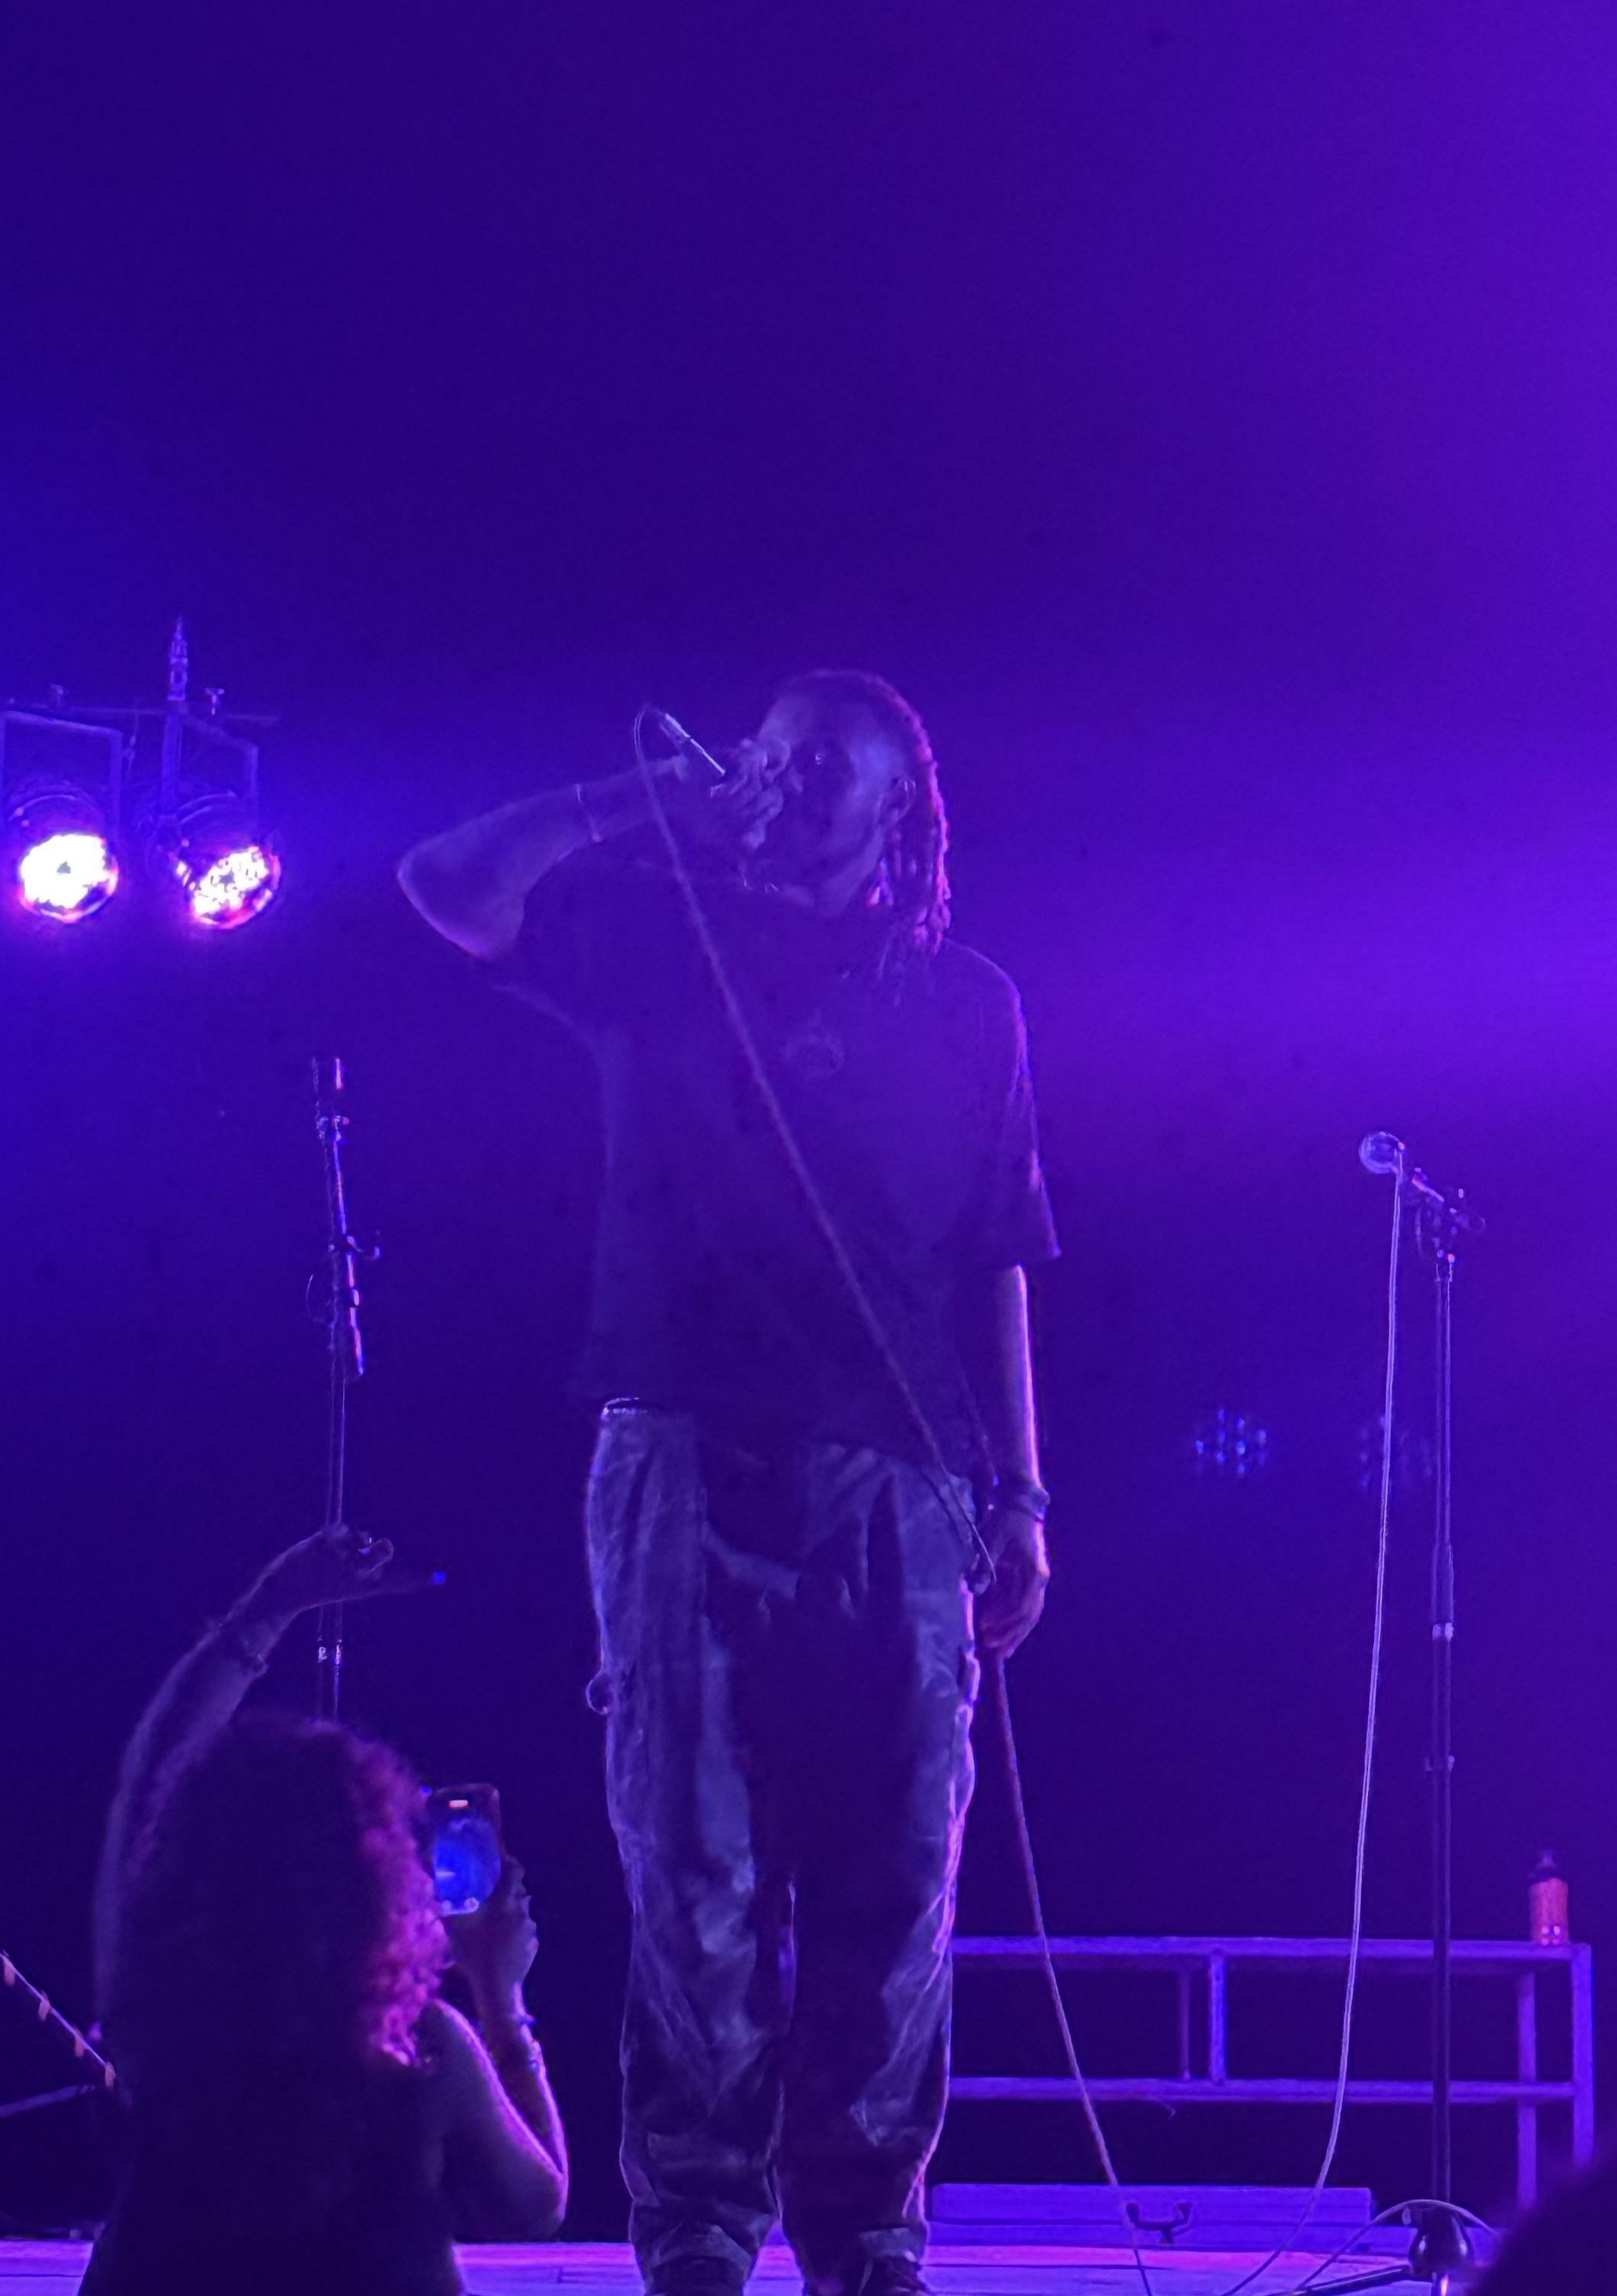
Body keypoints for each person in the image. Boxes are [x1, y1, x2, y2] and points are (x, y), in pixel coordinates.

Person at [396, 671, 1058, 2296]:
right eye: (766, 753)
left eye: (819, 764)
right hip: (681, 1444)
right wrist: (638, 804)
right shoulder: (658, 934)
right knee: (690, 1861)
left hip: (901, 1476)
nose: (780, 780)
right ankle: (697, 2226)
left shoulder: (969, 1004)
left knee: (893, 1870)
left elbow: (998, 1255)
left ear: (900, 807)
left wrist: (1023, 1493)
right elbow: (446, 885)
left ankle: (866, 2231)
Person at [86, 1526, 569, 2295]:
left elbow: (150, 1779)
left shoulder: (161, 2033)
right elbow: (534, 2208)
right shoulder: (423, 2055)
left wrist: (264, 1612)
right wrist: (501, 1997)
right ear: (376, 1880)